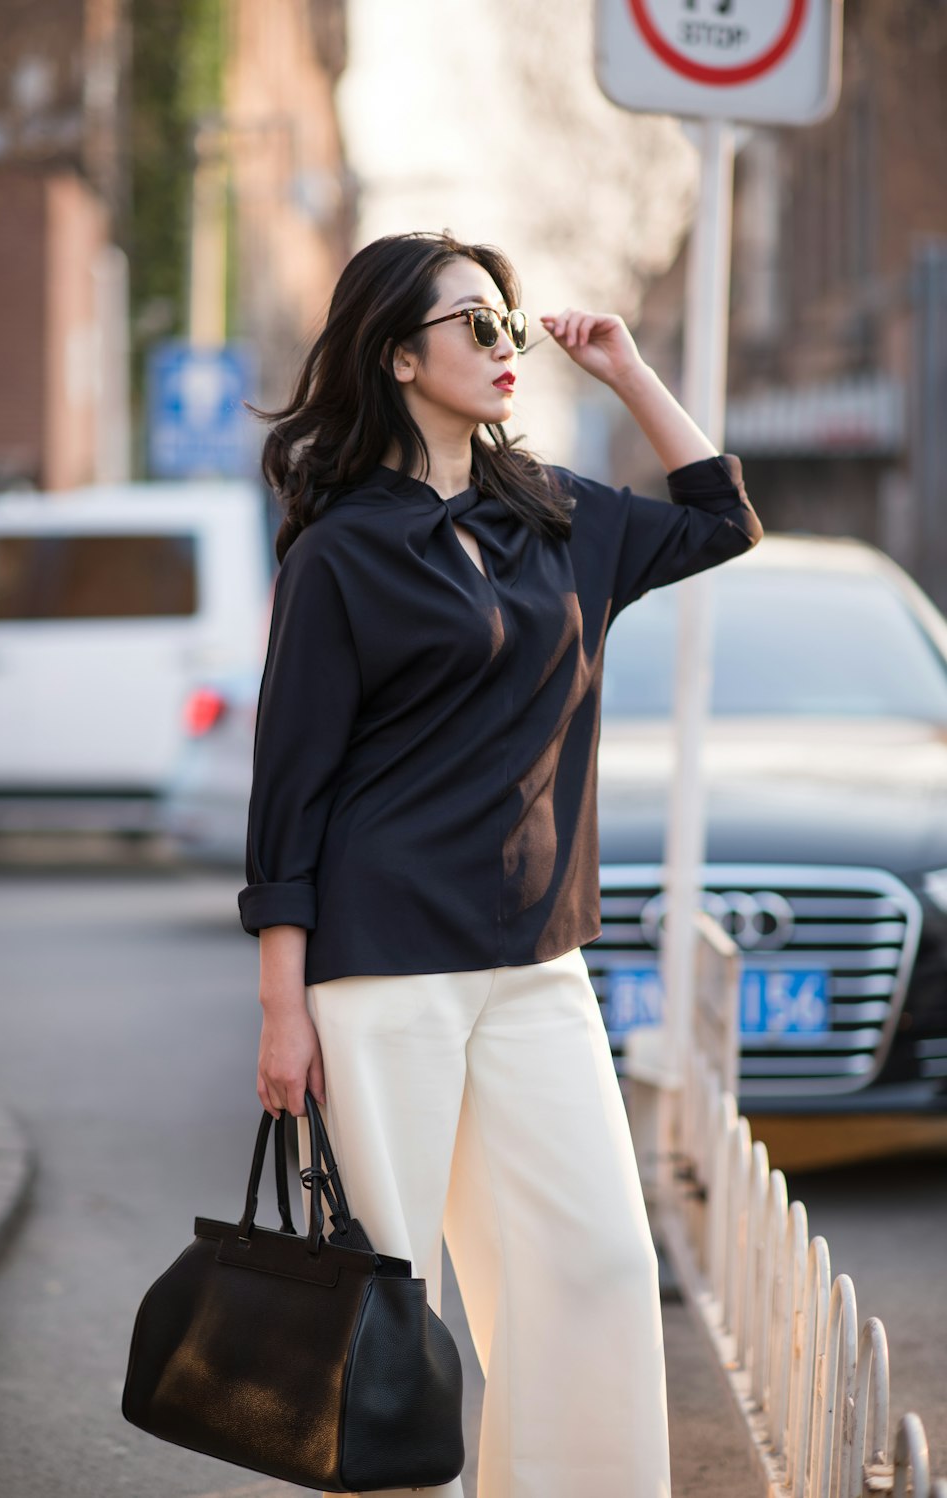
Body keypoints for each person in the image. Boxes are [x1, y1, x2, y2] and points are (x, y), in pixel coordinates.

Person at [238, 230, 763, 1498]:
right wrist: (281, 1007)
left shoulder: (557, 517)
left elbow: (720, 520)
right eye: (472, 324)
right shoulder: (339, 553)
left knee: (589, 1265)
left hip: (537, 957)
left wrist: (631, 372)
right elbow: (291, 792)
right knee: (393, 1290)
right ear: (399, 357)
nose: (504, 343)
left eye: (507, 319)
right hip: (379, 968)